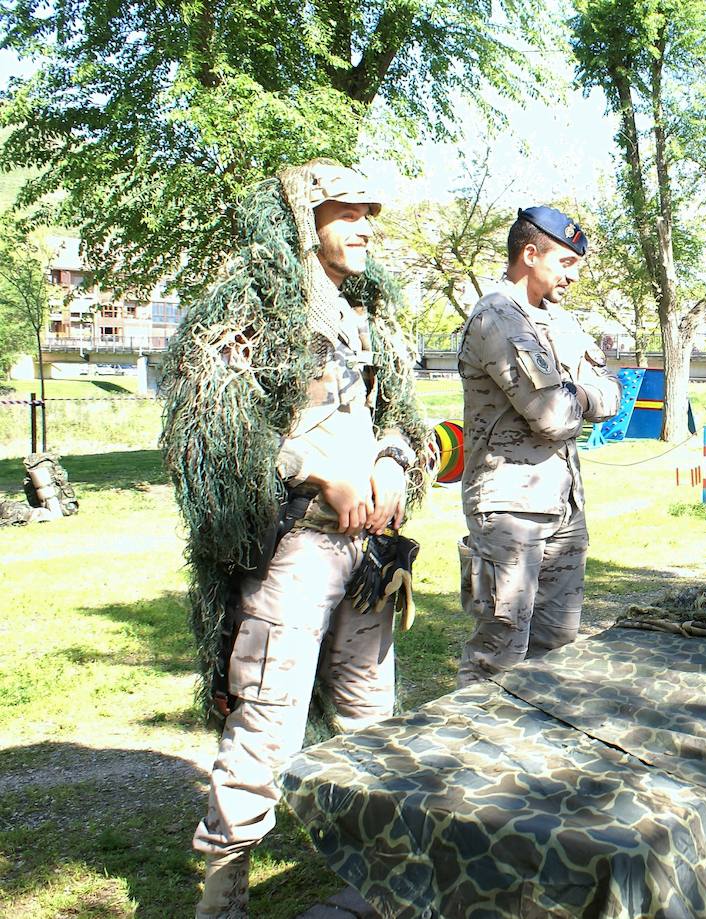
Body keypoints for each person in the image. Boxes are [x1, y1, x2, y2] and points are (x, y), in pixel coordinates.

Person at [161, 161, 428, 918]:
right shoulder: (254, 310)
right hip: (295, 551)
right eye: (346, 211)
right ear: (304, 217)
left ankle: (371, 881)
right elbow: (207, 437)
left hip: (367, 555)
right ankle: (222, 898)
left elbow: (402, 415)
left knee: (372, 720)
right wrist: (316, 472)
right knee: (267, 729)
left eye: (369, 211)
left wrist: (391, 464)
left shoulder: (367, 312)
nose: (365, 225)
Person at [456, 207, 622, 686]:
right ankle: (473, 751)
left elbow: (612, 391)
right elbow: (551, 417)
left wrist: (576, 395)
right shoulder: (497, 318)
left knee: (558, 648)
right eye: (565, 263)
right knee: (499, 650)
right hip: (511, 505)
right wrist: (580, 396)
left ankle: (535, 748)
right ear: (530, 254)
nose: (572, 277)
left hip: (563, 501)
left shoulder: (560, 321)